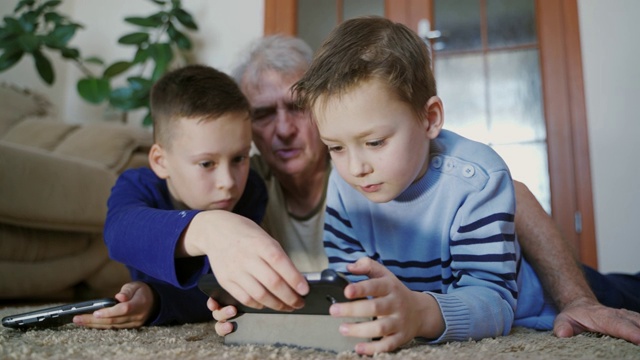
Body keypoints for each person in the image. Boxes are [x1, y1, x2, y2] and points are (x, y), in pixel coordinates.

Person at [75, 36, 640, 347]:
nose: (283, 128)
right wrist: (200, 253)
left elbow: (507, 194)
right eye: (263, 115)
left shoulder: (378, 161)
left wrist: (575, 299)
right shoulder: (241, 181)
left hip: (519, 279)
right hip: (403, 305)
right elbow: (131, 217)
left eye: (297, 107)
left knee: (617, 290)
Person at [72, 63, 310, 328]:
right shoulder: (138, 184)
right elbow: (119, 233)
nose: (228, 182)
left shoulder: (251, 189)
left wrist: (156, 301)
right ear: (161, 161)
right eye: (207, 164)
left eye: (239, 158)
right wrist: (208, 228)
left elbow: (220, 291)